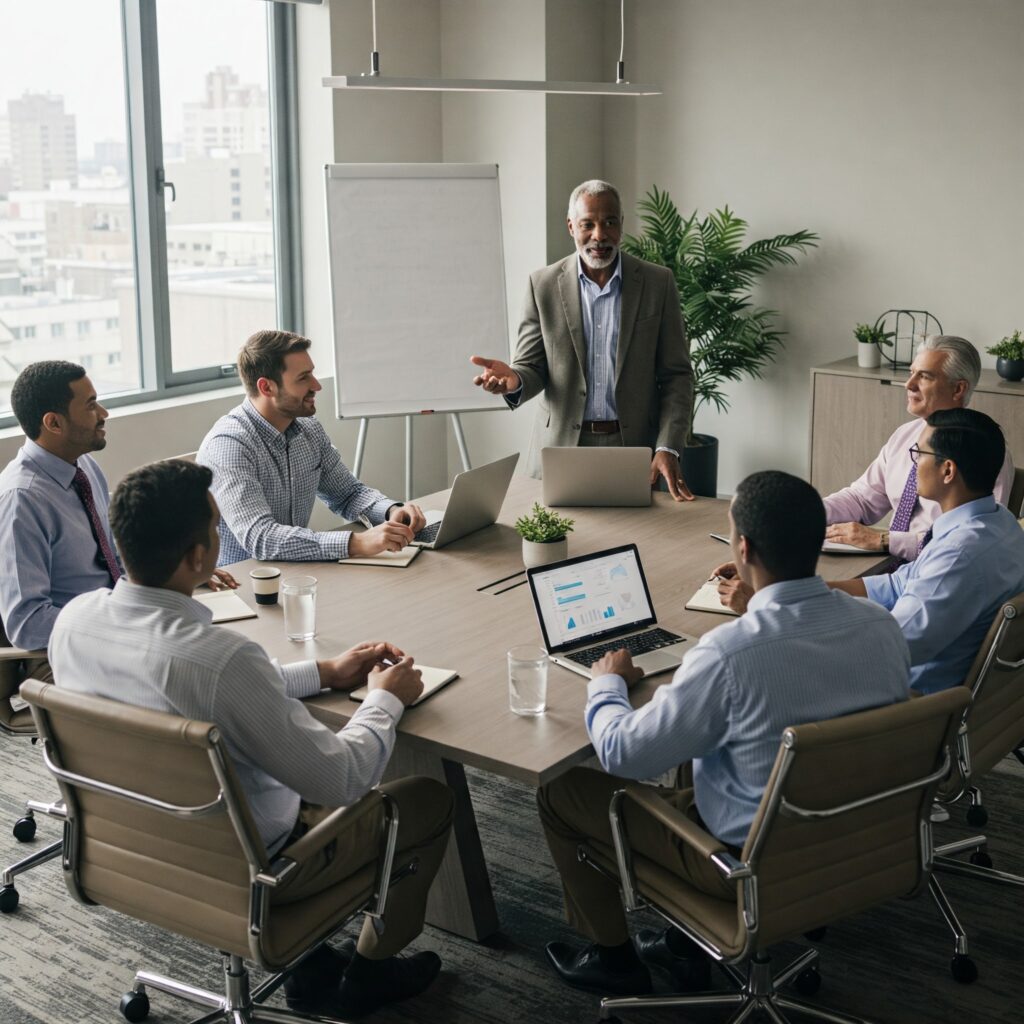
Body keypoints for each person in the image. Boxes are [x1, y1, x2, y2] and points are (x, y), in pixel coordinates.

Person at [48, 459, 454, 1018]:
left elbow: (210, 687)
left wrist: (325, 672)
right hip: (253, 867)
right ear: (198, 556)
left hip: (130, 847)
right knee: (426, 800)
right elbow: (342, 778)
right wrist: (388, 698)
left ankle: (310, 965)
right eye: (216, 530)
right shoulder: (220, 659)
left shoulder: (74, 621)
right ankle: (368, 975)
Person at [537, 471, 910, 996]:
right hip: (857, 835)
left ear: (743, 548)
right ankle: (684, 945)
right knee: (707, 741)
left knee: (562, 791)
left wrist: (607, 687)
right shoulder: (881, 626)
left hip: (745, 862)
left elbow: (622, 754)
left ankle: (614, 960)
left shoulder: (729, 654)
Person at [0, 361, 235, 686]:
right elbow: (25, 624)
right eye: (91, 404)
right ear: (53, 423)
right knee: (200, 672)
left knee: (222, 650)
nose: (104, 413)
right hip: (67, 654)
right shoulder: (21, 499)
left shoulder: (84, 467)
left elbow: (115, 556)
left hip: (123, 625)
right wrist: (123, 622)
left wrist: (177, 571)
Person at [470, 179, 696, 500]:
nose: (599, 235)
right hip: (560, 448)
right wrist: (514, 381)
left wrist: (667, 446)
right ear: (571, 226)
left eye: (609, 222)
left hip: (633, 449)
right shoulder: (543, 284)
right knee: (562, 544)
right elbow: (532, 367)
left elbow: (677, 375)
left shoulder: (657, 282)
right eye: (587, 224)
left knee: (639, 542)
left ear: (621, 224)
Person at [828, 409, 1024, 694]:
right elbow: (898, 584)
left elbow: (889, 647)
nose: (914, 463)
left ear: (948, 470)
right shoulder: (1001, 523)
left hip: (909, 704)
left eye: (919, 454)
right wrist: (809, 592)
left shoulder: (959, 554)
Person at [198, 330, 427, 566]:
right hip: (245, 585)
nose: (316, 385)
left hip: (298, 572)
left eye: (313, 374)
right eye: (303, 377)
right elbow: (261, 538)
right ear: (267, 388)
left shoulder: (308, 429)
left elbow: (348, 494)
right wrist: (356, 543)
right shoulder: (229, 446)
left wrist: (391, 510)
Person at [823, 335, 1014, 563]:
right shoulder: (904, 435)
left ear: (958, 389)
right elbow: (862, 499)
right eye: (911, 373)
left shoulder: (983, 449)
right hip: (886, 566)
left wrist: (886, 540)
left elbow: (981, 540)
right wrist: (809, 511)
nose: (909, 384)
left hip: (939, 570)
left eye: (924, 376)